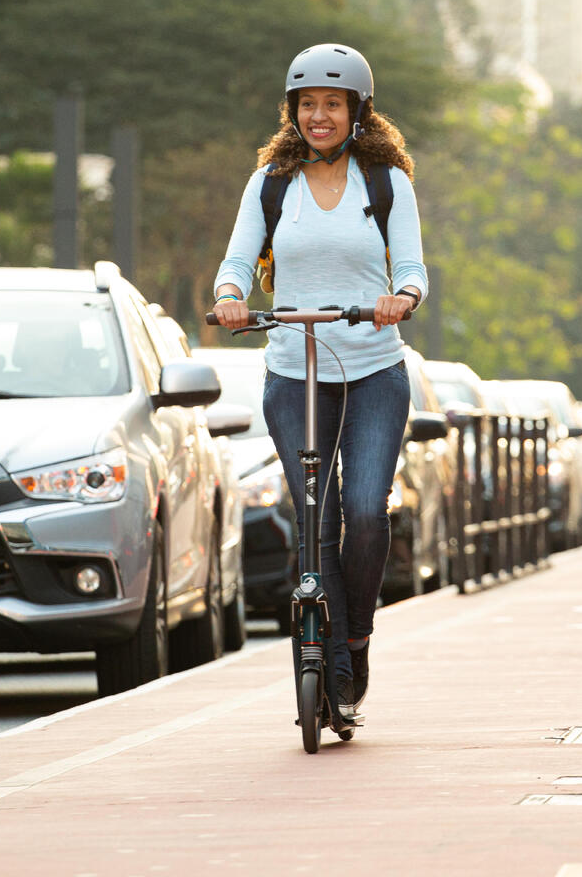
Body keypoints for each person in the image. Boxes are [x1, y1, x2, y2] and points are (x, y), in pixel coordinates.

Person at [212, 44, 427, 715]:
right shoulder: (272, 182)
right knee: (313, 514)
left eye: (333, 104)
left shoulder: (385, 181)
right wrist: (229, 294)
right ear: (293, 112)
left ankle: (355, 637)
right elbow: (241, 256)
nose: (319, 116)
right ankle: (329, 667)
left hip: (372, 370)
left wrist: (403, 297)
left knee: (363, 511)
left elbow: (413, 268)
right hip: (292, 370)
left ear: (358, 111)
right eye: (308, 105)